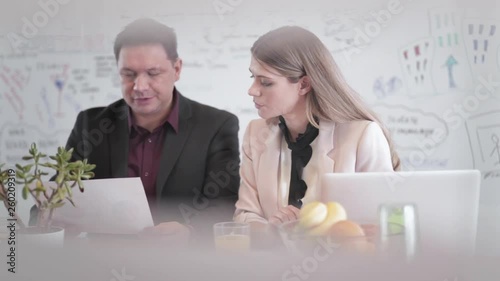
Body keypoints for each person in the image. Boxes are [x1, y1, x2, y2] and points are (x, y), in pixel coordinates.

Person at [31, 18, 240, 241]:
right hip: (104, 263)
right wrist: (52, 222)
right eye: (128, 74)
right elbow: (52, 202)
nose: (139, 86)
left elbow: (224, 205)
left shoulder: (216, 125)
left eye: (153, 73)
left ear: (177, 69)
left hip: (183, 264)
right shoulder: (90, 125)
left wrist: (190, 232)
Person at [233, 26, 400, 231]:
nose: (252, 90)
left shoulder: (363, 135)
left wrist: (315, 229)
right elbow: (244, 214)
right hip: (272, 261)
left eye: (266, 82)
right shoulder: (255, 133)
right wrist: (272, 230)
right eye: (253, 77)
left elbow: (386, 223)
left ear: (303, 85)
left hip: (345, 260)